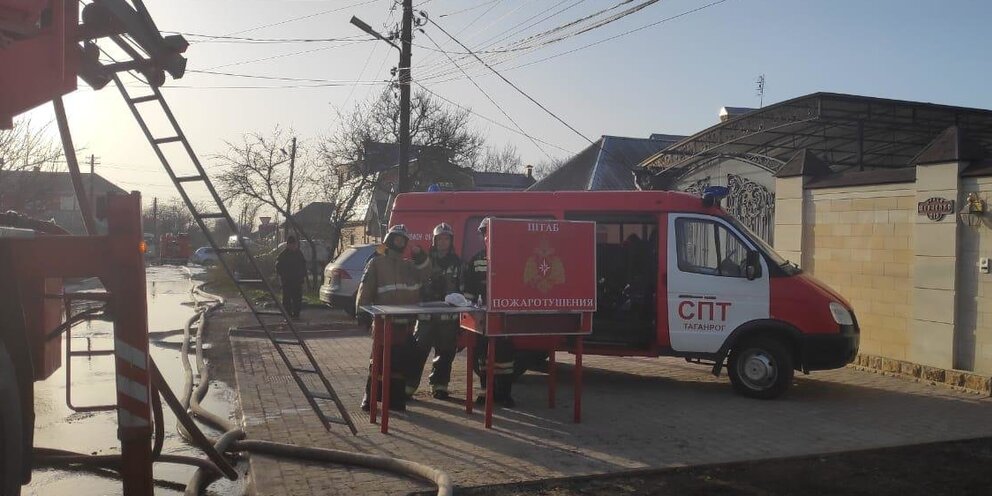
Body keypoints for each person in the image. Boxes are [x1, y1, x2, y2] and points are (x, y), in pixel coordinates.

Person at [357, 225, 428, 412]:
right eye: (396, 239)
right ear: (389, 240)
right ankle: (370, 397)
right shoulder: (377, 263)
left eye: (402, 240)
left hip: (405, 323)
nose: (399, 242)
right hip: (383, 322)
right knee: (378, 360)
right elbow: (366, 288)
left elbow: (426, 274)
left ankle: (395, 400)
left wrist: (421, 257)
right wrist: (362, 311)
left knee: (399, 362)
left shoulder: (409, 265)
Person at [462, 218, 517, 408]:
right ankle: (486, 393)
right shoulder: (476, 259)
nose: (487, 236)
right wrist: (470, 311)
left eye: (490, 232)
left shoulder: (510, 257)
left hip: (505, 314)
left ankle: (504, 394)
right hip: (483, 316)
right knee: (483, 355)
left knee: (505, 356)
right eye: (485, 233)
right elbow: (469, 290)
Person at [408, 222, 462, 400]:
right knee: (418, 350)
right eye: (440, 239)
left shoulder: (458, 263)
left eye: (446, 238)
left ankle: (439, 385)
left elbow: (463, 288)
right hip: (426, 315)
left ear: (451, 241)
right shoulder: (425, 261)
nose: (443, 242)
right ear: (434, 240)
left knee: (445, 352)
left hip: (448, 316)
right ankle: (409, 386)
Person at [275, 235, 307, 319]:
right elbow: (278, 267)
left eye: (295, 245)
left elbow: (303, 265)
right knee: (287, 299)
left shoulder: (299, 254)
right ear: (288, 245)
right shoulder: (283, 255)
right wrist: (283, 277)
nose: (294, 246)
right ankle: (288, 315)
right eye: (292, 245)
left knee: (297, 299)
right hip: (287, 281)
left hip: (297, 280)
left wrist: (302, 276)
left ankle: (296, 315)